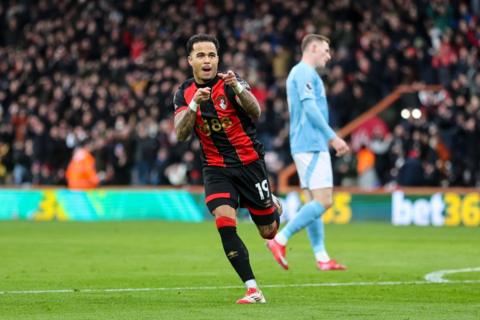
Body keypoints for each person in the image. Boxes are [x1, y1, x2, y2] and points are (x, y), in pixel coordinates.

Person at [173, 34, 282, 304]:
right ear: (190, 61)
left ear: (218, 58)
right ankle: (252, 289)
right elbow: (180, 133)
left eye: (211, 55)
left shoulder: (231, 82)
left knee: (268, 231)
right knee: (224, 223)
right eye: (200, 55)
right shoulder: (184, 93)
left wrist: (240, 89)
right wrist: (195, 104)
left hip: (249, 164)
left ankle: (274, 205)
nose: (207, 60)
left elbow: (255, 112)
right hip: (215, 168)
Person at [267, 34, 350, 271]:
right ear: (312, 47)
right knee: (324, 201)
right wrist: (332, 138)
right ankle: (279, 240)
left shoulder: (304, 73)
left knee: (314, 202)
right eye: (325, 49)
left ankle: (322, 257)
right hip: (311, 143)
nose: (329, 55)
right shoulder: (304, 72)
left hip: (306, 143)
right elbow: (310, 108)